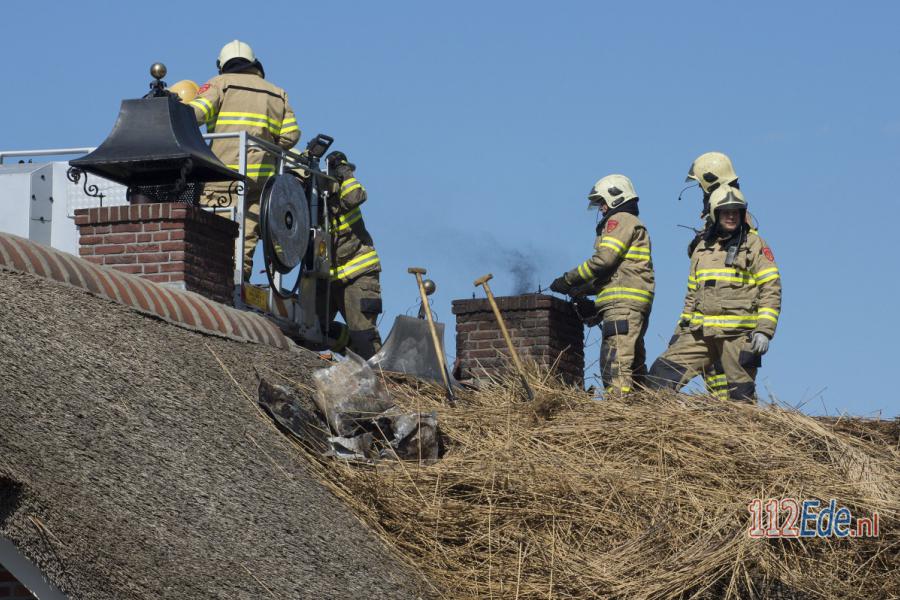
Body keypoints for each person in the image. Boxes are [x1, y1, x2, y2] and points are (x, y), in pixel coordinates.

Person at [647, 187, 781, 402]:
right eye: (725, 211)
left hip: (738, 335)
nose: (731, 215)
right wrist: (679, 332)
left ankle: (743, 435)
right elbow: (692, 296)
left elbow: (771, 287)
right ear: (714, 214)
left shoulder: (754, 245)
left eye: (736, 212)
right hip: (700, 333)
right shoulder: (702, 248)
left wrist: (764, 331)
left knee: (740, 400)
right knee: (661, 373)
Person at [186, 40, 300, 282]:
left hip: (222, 174)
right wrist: (266, 150)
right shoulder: (277, 93)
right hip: (261, 181)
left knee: (215, 229)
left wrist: (171, 104)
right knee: (246, 234)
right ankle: (239, 279)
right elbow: (291, 135)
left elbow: (194, 115)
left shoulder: (220, 84)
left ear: (222, 64)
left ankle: (214, 280)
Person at [550, 174, 654, 395]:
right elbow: (616, 273)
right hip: (629, 305)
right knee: (634, 369)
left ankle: (618, 414)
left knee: (614, 366)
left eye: (603, 203)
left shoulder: (620, 220)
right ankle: (639, 411)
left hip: (622, 307)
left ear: (616, 197)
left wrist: (568, 280)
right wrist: (584, 291)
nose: (602, 209)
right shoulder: (631, 223)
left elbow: (603, 261)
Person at [321, 151, 383, 359]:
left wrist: (344, 172)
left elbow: (356, 195)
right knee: (310, 332)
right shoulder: (304, 202)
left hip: (359, 272)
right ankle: (349, 347)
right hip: (324, 276)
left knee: (364, 337)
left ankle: (380, 381)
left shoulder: (345, 193)